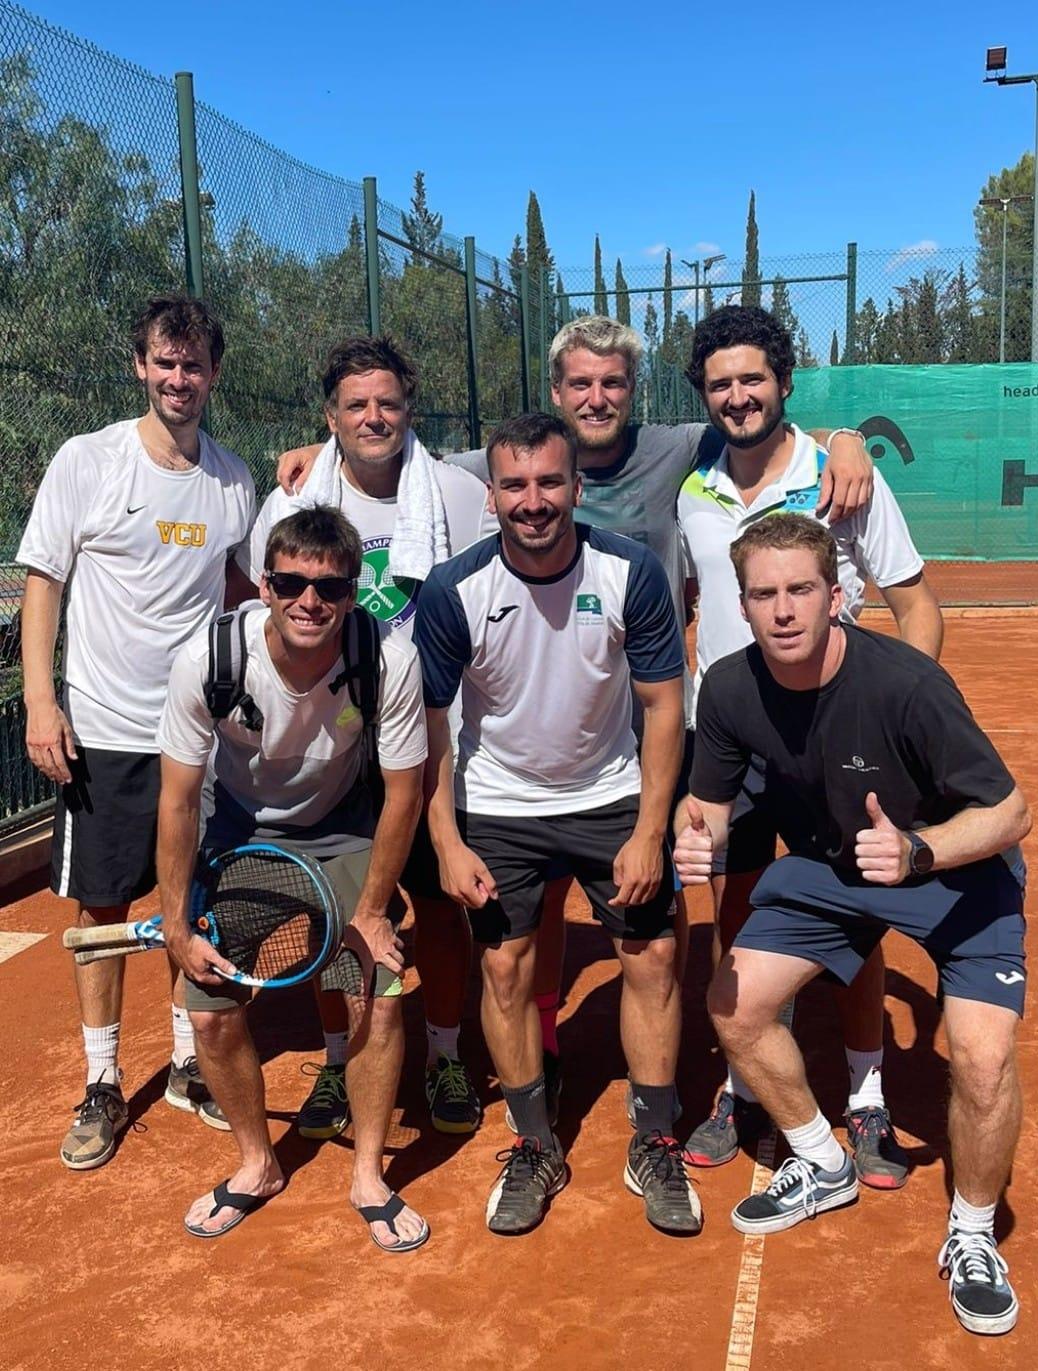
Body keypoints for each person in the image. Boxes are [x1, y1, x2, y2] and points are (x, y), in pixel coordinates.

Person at [276, 315, 873, 1121]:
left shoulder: (676, 450)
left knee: (683, 920)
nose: (597, 397)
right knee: (526, 925)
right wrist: (326, 457)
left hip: (633, 744)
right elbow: (388, 446)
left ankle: (712, 1085)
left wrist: (845, 440)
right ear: (555, 398)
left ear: (632, 397)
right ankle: (540, 1064)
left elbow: (758, 417)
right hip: (505, 755)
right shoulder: (494, 479)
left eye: (613, 383)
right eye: (581, 384)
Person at [674, 514, 1030, 1336]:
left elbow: (1013, 810)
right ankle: (822, 1161)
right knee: (734, 1003)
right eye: (765, 594)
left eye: (801, 589)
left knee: (982, 1058)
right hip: (836, 869)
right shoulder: (728, 688)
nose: (784, 609)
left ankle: (973, 1235)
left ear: (837, 595)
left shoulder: (905, 683)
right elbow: (712, 807)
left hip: (954, 869)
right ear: (742, 603)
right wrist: (700, 838)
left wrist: (918, 849)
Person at [676, 305, 943, 1185]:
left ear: (784, 383)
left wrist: (896, 720)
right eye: (720, 383)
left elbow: (913, 603)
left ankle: (865, 1097)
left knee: (857, 917)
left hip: (841, 741)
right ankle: (741, 1083)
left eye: (753, 378)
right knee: (739, 905)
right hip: (736, 735)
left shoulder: (842, 477)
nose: (738, 395)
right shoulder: (691, 480)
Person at [415, 412, 700, 1237]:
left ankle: (654, 1136)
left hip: (609, 795)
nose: (532, 501)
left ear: (578, 488)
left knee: (650, 956)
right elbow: (430, 729)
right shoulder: (452, 590)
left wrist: (650, 830)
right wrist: (446, 838)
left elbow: (661, 705)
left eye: (549, 483)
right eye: (514, 485)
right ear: (493, 494)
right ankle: (535, 1144)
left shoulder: (629, 571)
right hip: (497, 803)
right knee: (503, 971)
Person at [18, 294, 256, 1169]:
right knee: (105, 907)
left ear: (213, 375)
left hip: (195, 736)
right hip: (105, 731)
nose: (179, 378)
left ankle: (191, 1062)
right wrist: (42, 702)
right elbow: (43, 581)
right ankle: (103, 1080)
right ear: (141, 367)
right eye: (165, 361)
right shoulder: (89, 461)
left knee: (187, 898)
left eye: (194, 365)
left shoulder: (233, 479)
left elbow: (241, 592)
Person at [238, 336, 496, 1139]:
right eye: (355, 405)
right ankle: (338, 1058)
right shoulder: (288, 500)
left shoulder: (456, 491)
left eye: (387, 402)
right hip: (333, 749)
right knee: (336, 914)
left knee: (445, 910)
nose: (373, 416)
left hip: (433, 739)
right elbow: (264, 612)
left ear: (408, 410)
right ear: (330, 416)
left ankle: (445, 1052)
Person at [157, 506, 429, 1250]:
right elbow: (178, 799)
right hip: (240, 831)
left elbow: (405, 791)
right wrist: (176, 923)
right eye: (291, 582)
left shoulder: (387, 658)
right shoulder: (209, 658)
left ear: (351, 592)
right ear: (265, 584)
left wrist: (372, 911)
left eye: (331, 587)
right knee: (209, 1006)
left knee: (373, 986)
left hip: (345, 827)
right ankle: (257, 1164)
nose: (310, 600)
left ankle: (370, 1172)